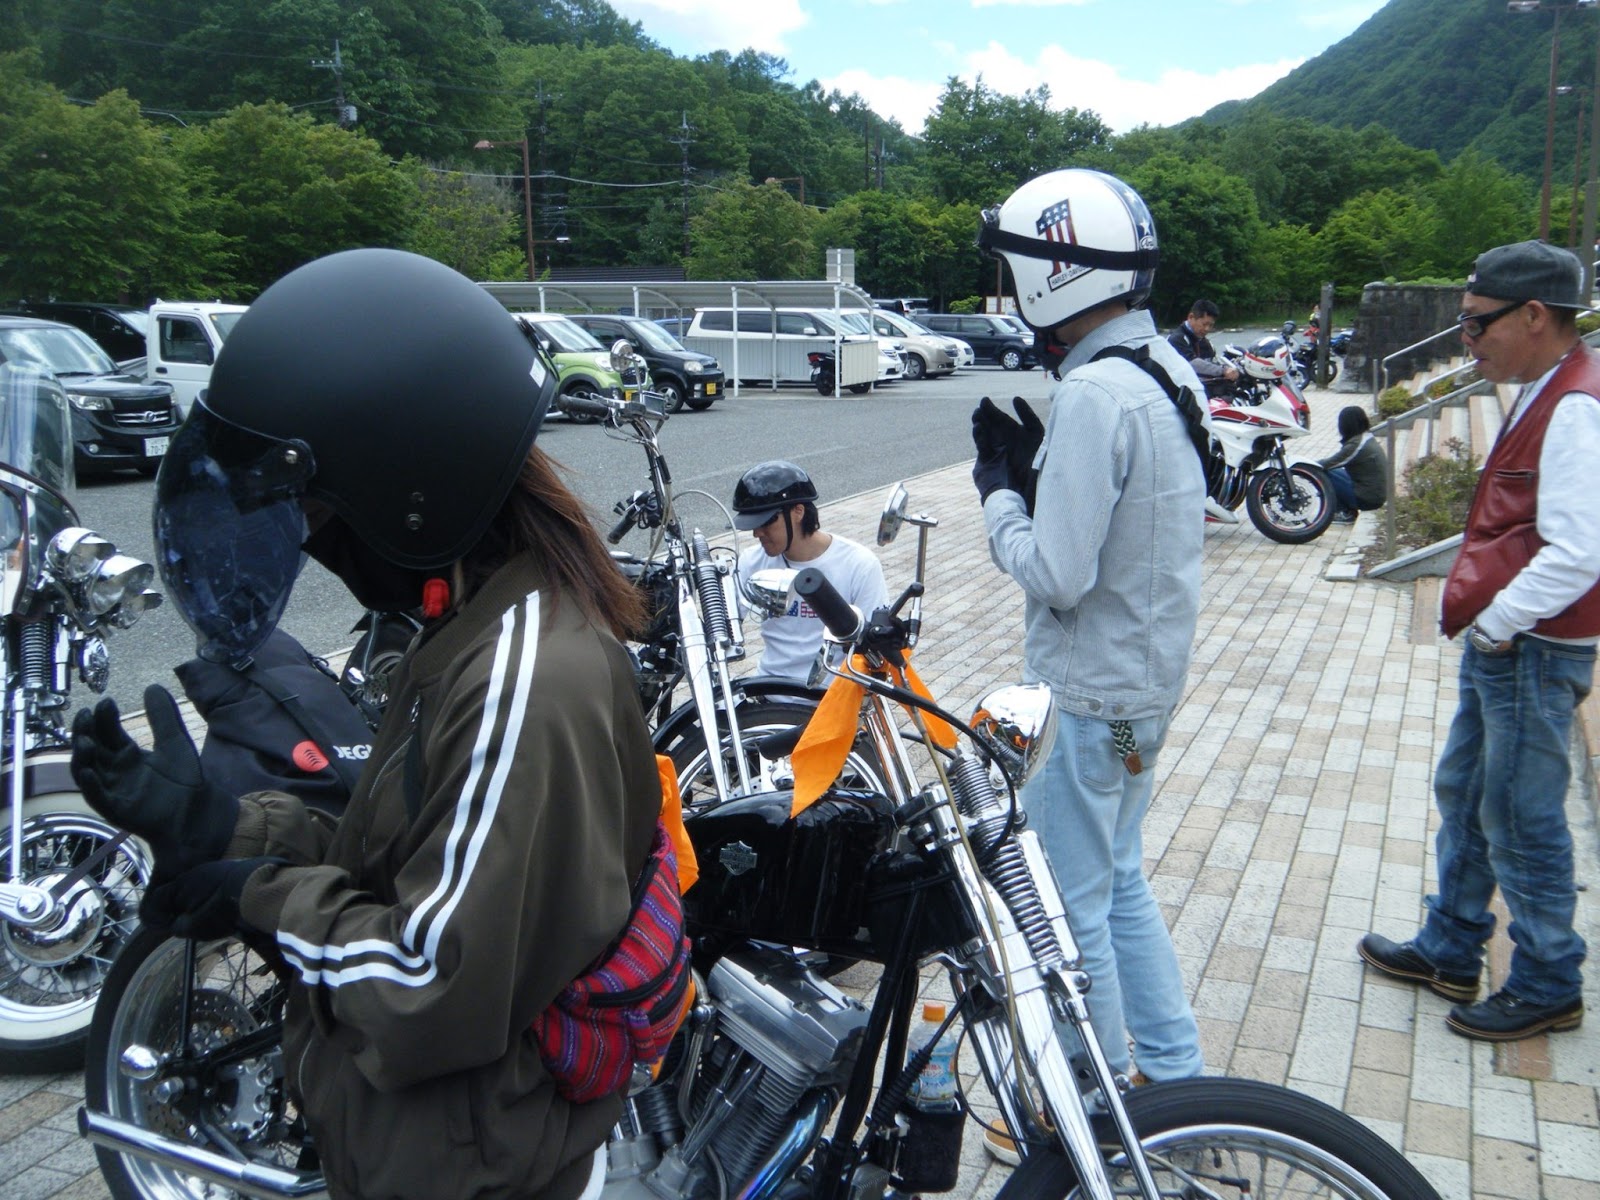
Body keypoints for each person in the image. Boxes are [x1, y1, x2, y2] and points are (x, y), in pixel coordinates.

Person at [70, 249, 665, 1200]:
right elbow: (401, 860)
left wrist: (258, 896)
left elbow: (431, 983)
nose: (309, 539)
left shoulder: (528, 680)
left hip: (477, 1173)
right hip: (426, 1149)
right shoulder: (468, 623)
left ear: (407, 489)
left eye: (311, 507)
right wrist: (228, 828)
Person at [971, 168, 1207, 1161]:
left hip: (1088, 696)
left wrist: (998, 493)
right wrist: (1045, 482)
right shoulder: (1165, 368)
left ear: (1053, 274)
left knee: (1073, 910)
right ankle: (1176, 1081)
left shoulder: (1093, 393)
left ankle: (1099, 1116)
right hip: (1143, 690)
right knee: (1120, 879)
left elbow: (1057, 575)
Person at [1359, 240, 1600, 1042]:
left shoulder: (1575, 405)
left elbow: (1580, 549)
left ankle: (1548, 981)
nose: (1468, 339)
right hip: (1517, 644)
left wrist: (1496, 623)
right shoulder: (1551, 388)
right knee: (1466, 791)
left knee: (1520, 815)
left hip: (1530, 645)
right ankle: (1452, 945)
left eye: (1477, 323)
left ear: (1533, 316)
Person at [732, 460, 888, 682]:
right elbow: (722, 628)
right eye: (753, 525)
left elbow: (876, 648)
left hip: (833, 695)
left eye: (766, 522)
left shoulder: (859, 564)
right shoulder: (750, 561)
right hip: (768, 689)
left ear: (798, 511)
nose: (757, 533)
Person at [1318, 405, 1389, 523]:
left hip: (1369, 499)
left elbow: (1329, 463)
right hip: (1375, 493)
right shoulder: (1365, 437)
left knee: (1324, 473)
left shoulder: (1356, 445)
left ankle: (1344, 512)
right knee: (1335, 472)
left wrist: (1304, 465)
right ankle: (1348, 510)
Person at [1167, 298, 1239, 396]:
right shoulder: (1176, 339)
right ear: (1191, 317)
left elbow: (1211, 363)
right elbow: (1192, 364)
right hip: (1178, 391)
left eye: (1211, 325)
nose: (1207, 329)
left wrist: (1230, 370)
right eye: (1204, 324)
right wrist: (1223, 370)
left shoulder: (1204, 341)